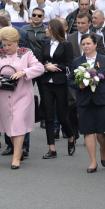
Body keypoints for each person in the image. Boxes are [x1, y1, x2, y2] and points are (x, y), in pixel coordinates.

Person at [0, 27, 45, 169]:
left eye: (9, 45)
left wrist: (23, 72)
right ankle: (18, 152)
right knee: (9, 127)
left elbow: (40, 67)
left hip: (22, 95)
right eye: (4, 45)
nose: (6, 48)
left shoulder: (26, 53)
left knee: (18, 123)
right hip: (3, 96)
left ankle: (16, 157)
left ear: (17, 41)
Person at [70, 33, 105, 172]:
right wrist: (78, 85)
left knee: (101, 133)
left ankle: (103, 150)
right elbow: (69, 80)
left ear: (95, 44)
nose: (86, 46)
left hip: (102, 101)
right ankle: (93, 161)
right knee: (88, 132)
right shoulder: (77, 61)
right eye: (83, 44)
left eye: (88, 43)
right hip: (84, 101)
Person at [39, 18, 75, 159]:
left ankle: (71, 137)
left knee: (61, 116)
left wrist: (56, 67)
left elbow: (69, 67)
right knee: (48, 116)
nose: (45, 30)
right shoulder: (45, 44)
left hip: (60, 84)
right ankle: (52, 149)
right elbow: (40, 62)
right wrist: (46, 67)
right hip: (47, 83)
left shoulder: (66, 45)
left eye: (47, 28)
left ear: (53, 29)